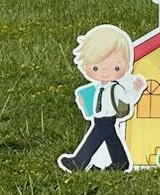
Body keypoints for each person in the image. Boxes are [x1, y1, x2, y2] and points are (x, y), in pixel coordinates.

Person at [58, 25, 145, 172]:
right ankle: (121, 162)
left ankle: (79, 162)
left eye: (115, 68)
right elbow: (95, 103)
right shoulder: (98, 88)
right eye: (96, 68)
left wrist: (136, 89)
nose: (105, 72)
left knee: (94, 139)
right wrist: (84, 104)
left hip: (107, 119)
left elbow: (127, 99)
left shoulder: (115, 88)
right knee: (112, 140)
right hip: (100, 118)